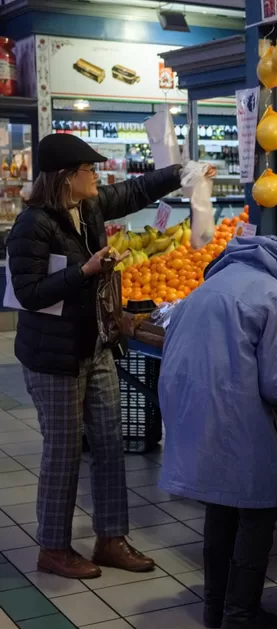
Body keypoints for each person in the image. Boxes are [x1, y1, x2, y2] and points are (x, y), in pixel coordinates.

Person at [6, 134, 211, 579]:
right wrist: (85, 271)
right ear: (66, 177)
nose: (98, 176)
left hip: (95, 344)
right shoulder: (32, 225)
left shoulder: (90, 207)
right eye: (90, 170)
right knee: (63, 452)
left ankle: (111, 538)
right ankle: (54, 547)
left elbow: (135, 191)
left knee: (108, 441)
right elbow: (27, 293)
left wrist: (181, 173)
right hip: (53, 356)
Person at [157, 235, 277, 629]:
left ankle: (215, 606)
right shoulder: (275, 295)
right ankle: (241, 614)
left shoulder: (217, 279)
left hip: (189, 404)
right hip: (231, 410)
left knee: (221, 505)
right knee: (255, 508)